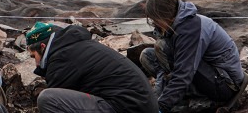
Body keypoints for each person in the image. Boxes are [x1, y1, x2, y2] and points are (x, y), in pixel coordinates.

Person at [140, 0, 248, 112]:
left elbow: (183, 73)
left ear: (163, 15)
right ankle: (176, 93)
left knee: (164, 50)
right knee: (148, 55)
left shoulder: (190, 29)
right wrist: (159, 96)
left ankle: (186, 97)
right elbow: (166, 67)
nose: (154, 23)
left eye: (154, 19)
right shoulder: (177, 22)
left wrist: (161, 107)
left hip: (226, 84)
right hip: (207, 73)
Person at [26, 22, 158, 113]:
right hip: (138, 105)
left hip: (127, 108)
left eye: (33, 57)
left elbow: (59, 99)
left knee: (48, 99)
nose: (36, 64)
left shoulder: (62, 57)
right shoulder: (73, 47)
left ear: (43, 47)